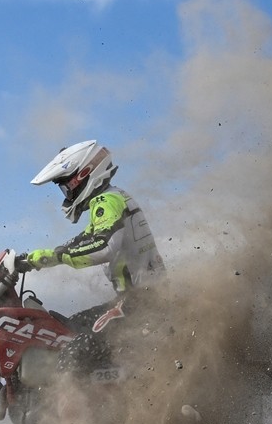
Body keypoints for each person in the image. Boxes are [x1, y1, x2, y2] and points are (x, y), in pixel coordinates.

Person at [15, 140, 166, 336]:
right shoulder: (111, 198)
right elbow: (85, 239)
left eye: (67, 187)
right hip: (139, 297)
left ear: (84, 174)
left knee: (75, 350)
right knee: (67, 329)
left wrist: (57, 257)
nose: (67, 193)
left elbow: (103, 246)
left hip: (142, 301)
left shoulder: (107, 200)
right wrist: (35, 259)